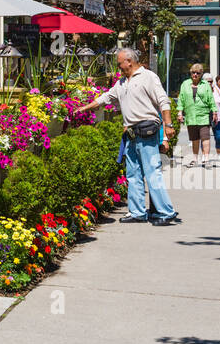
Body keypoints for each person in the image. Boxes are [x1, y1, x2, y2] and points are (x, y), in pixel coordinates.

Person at [72, 47, 180, 226]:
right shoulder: (121, 82)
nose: (118, 66)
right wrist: (84, 108)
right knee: (133, 174)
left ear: (129, 61)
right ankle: (137, 212)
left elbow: (163, 101)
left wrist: (168, 126)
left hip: (146, 130)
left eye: (120, 63)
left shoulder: (148, 77)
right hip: (130, 133)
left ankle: (165, 212)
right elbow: (105, 98)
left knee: (152, 172)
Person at [178, 63, 216, 168]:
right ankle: (195, 159)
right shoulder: (185, 84)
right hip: (191, 115)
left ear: (201, 74)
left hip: (203, 114)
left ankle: (206, 159)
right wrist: (180, 112)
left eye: (198, 73)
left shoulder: (205, 85)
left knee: (205, 138)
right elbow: (181, 99)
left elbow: (211, 99)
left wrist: (214, 112)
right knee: (194, 139)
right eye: (193, 72)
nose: (195, 75)